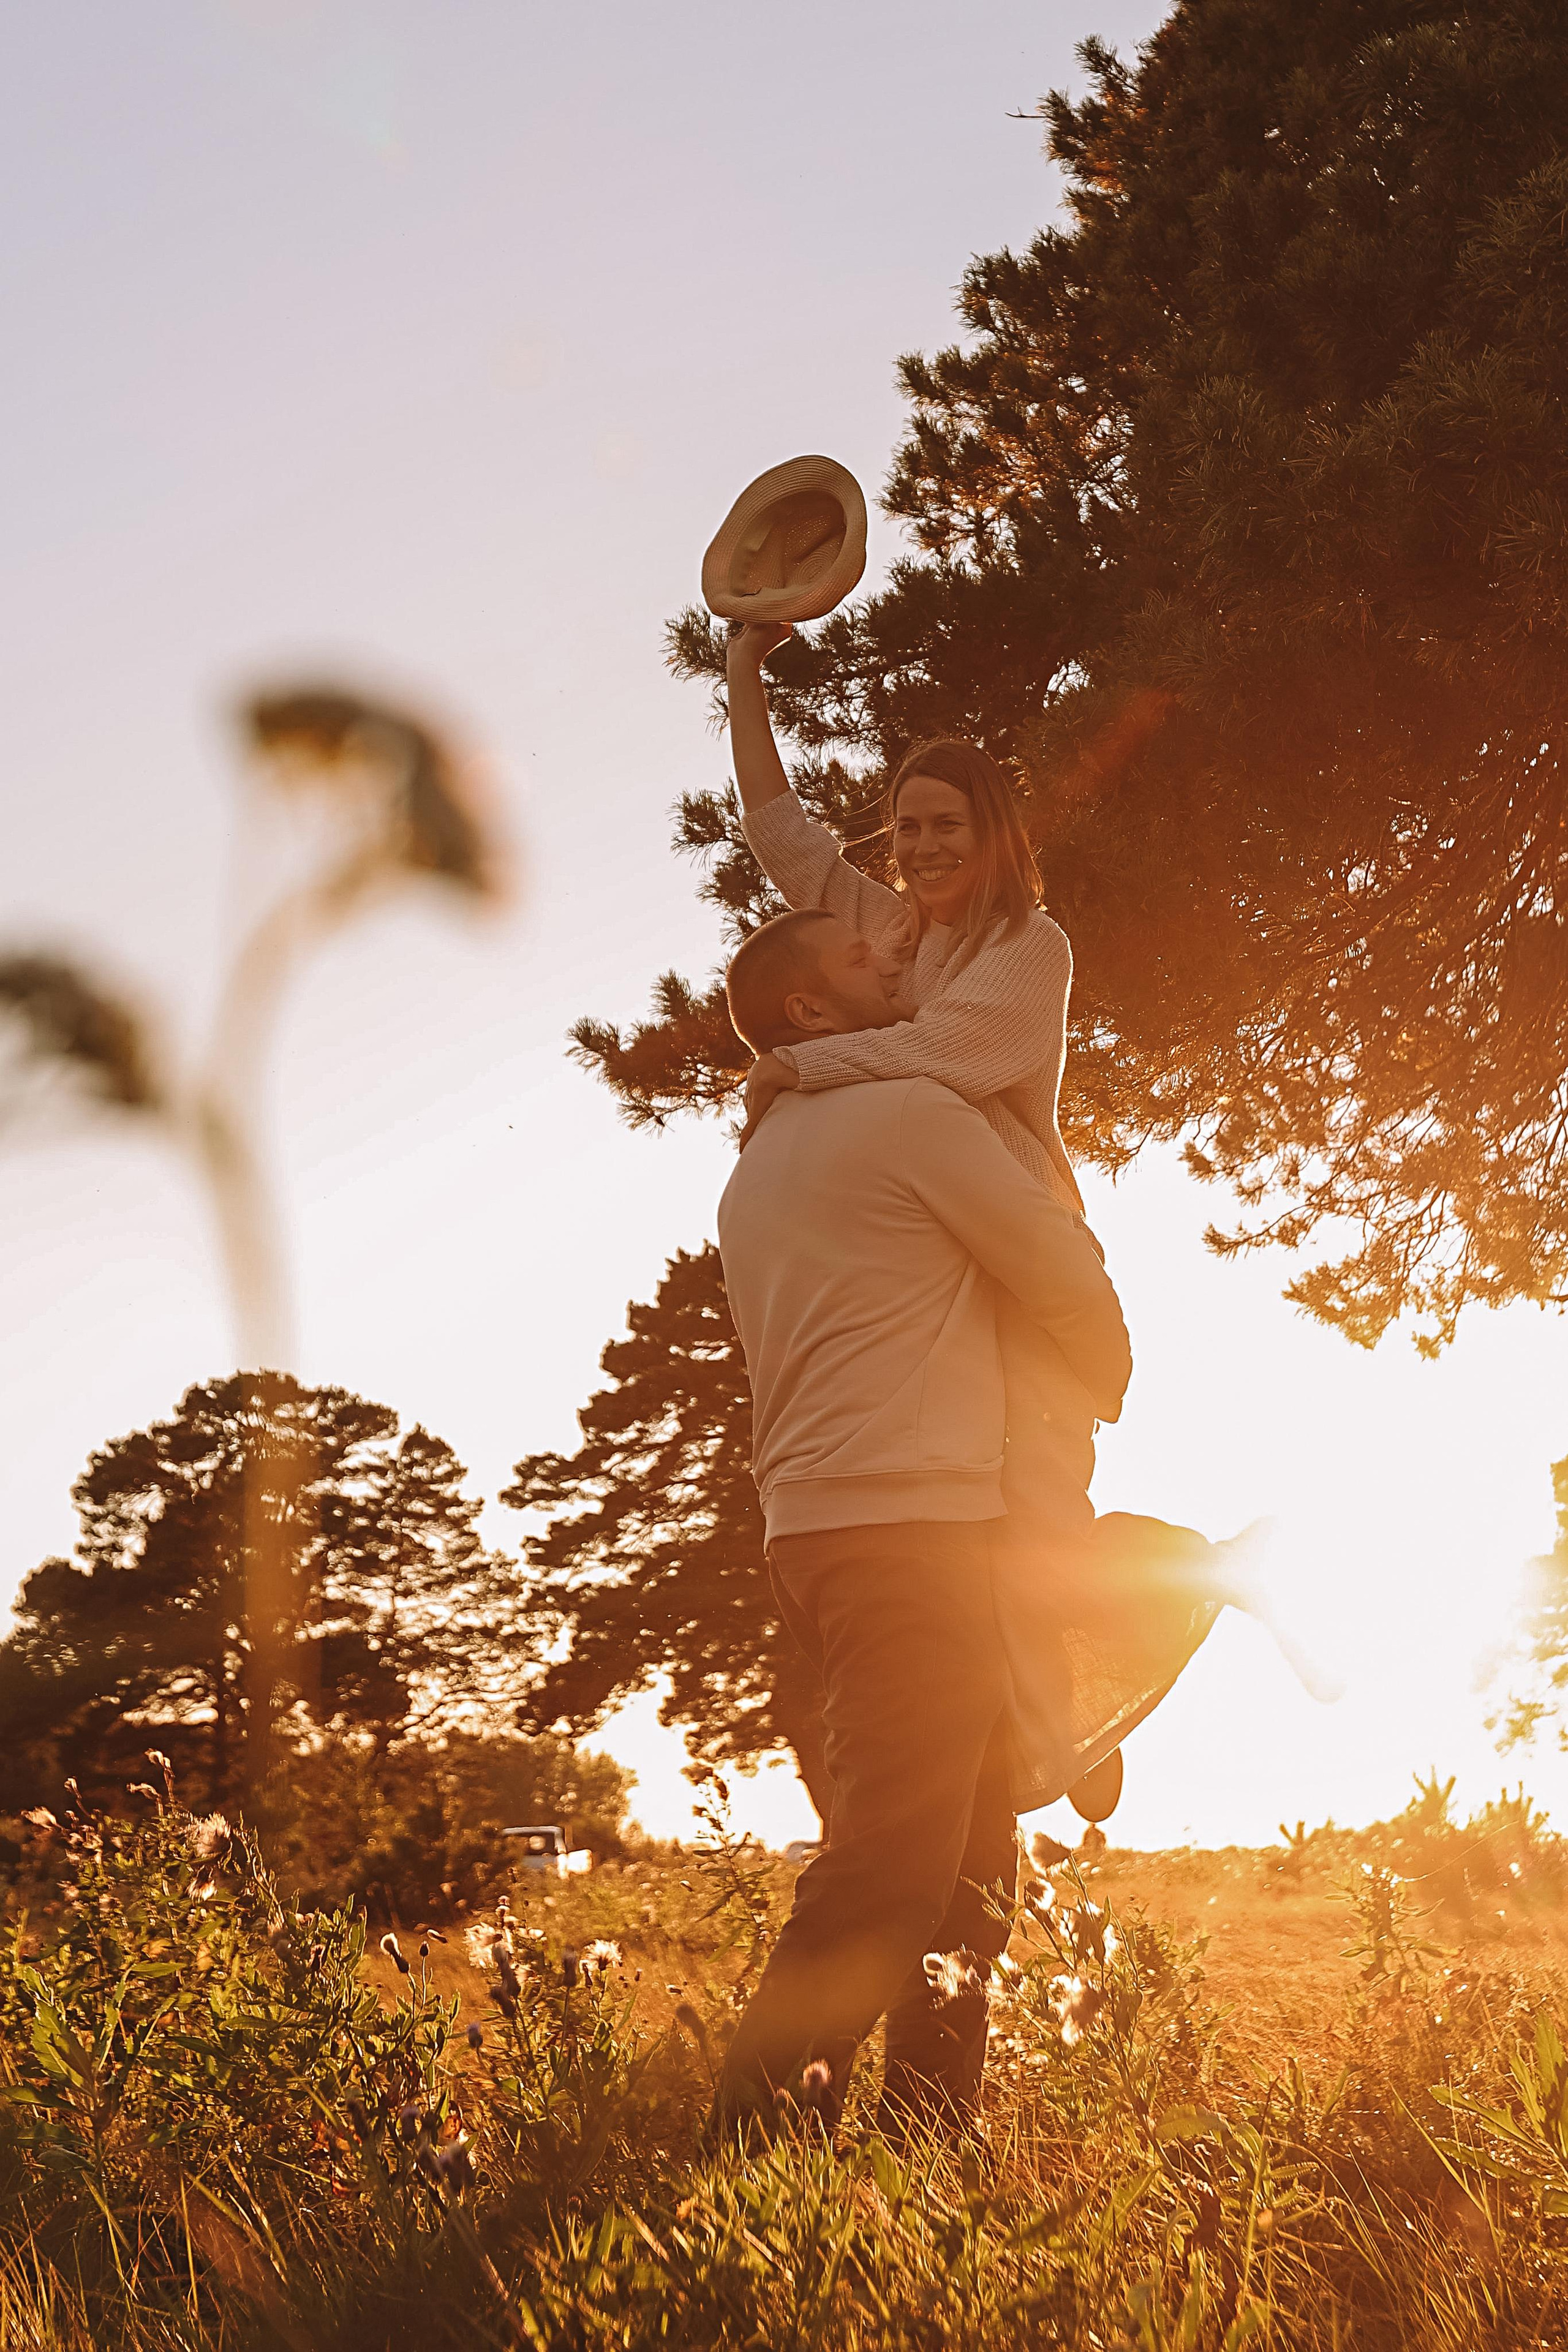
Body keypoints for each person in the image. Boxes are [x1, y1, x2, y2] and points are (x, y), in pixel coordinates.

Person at [712, 905, 1133, 2140]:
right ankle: (747, 2155)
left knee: (963, 1862)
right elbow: (1057, 1268)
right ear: (806, 1010)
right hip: (913, 1535)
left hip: (818, 1534)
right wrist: (1101, 1383)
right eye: (858, 958)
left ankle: (923, 2149)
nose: (891, 953)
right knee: (896, 1865)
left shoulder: (753, 1164)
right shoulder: (908, 1115)